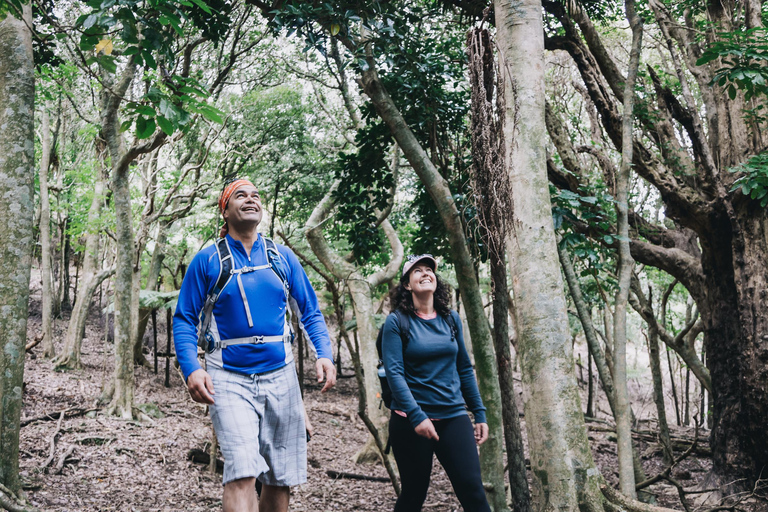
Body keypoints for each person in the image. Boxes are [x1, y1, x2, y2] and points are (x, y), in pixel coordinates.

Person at [173, 178, 336, 512]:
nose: (250, 199)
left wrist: (324, 354)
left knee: (280, 476)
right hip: (228, 378)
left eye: (255, 195)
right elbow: (184, 319)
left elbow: (309, 311)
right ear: (225, 209)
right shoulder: (207, 261)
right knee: (242, 471)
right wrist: (192, 368)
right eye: (240, 195)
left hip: (281, 377)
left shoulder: (283, 258)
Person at [382, 254, 491, 512]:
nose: (425, 273)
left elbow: (464, 367)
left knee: (473, 490)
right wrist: (417, 417)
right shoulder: (397, 322)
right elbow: (394, 374)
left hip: (453, 416)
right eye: (417, 271)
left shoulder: (450, 319)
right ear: (407, 285)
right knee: (413, 493)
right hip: (410, 421)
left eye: (429, 269)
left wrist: (480, 413)